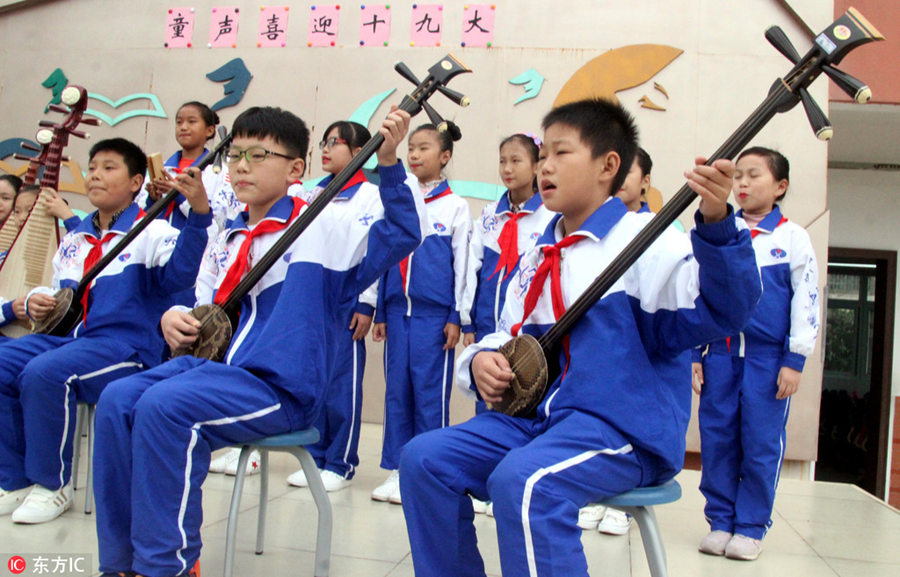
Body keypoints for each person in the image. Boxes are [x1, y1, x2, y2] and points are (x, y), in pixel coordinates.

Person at [397, 98, 762, 577]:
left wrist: (717, 225)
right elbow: (506, 334)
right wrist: (480, 362)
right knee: (423, 459)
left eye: (561, 153)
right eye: (543, 154)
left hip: (622, 429)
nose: (544, 166)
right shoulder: (538, 252)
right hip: (542, 424)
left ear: (608, 166)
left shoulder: (647, 240)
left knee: (525, 483)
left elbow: (726, 308)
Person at [92, 105, 425, 577]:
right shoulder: (230, 237)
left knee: (165, 407)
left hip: (281, 389)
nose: (242, 166)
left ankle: (164, 566)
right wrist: (173, 318)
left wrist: (388, 163)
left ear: (295, 169)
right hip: (216, 374)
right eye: (235, 155)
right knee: (117, 399)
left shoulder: (324, 228)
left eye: (259, 155)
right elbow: (200, 304)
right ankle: (121, 563)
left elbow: (403, 233)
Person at [0, 137, 211, 525]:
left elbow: (182, 275)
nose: (95, 174)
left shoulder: (153, 231)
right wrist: (35, 301)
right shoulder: (75, 238)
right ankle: (13, 479)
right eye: (93, 167)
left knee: (46, 372)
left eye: (109, 167)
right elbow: (60, 295)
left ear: (135, 182)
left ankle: (52, 484)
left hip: (126, 347)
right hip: (68, 340)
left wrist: (198, 214)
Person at [693, 146, 819, 561]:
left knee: (761, 445)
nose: (742, 184)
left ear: (780, 186)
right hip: (720, 356)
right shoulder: (720, 233)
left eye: (754, 175)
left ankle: (750, 527)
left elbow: (807, 300)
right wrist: (695, 352)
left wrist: (795, 360)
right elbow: (696, 291)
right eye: (738, 176)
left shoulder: (792, 238)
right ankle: (720, 522)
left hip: (768, 362)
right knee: (718, 441)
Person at [371, 122, 471, 505]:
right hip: (398, 315)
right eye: (410, 147)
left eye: (423, 148)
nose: (413, 154)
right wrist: (382, 309)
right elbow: (385, 254)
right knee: (397, 393)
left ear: (444, 156)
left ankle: (429, 472)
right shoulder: (399, 199)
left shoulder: (455, 206)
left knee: (430, 396)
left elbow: (463, 265)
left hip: (434, 319)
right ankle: (398, 469)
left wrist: (456, 316)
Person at [282, 120, 385, 492]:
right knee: (315, 380)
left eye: (334, 142)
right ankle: (315, 457)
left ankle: (340, 463)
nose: (325, 149)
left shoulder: (372, 197)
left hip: (347, 299)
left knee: (343, 384)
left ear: (359, 152)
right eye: (323, 142)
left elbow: (375, 253)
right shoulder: (312, 194)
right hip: (312, 298)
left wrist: (366, 302)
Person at [580, 145, 655, 535]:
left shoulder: (655, 229)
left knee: (624, 418)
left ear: (645, 182)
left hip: (636, 346)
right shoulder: (589, 231)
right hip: (598, 345)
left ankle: (622, 507)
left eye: (630, 171)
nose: (620, 178)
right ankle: (595, 497)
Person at [140, 101, 240, 235]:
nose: (183, 127)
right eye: (179, 122)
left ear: (209, 130)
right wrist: (153, 200)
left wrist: (179, 196)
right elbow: (138, 220)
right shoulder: (161, 168)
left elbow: (220, 224)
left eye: (191, 122)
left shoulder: (221, 174)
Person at [616, 146, 653, 213]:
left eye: (626, 172)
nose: (617, 177)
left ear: (645, 181)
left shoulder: (653, 219)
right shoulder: (597, 217)